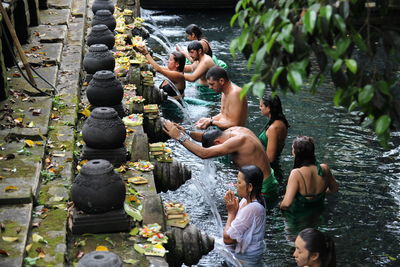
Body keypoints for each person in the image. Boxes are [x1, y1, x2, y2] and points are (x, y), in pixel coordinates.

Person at [163, 121, 279, 205]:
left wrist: (178, 137)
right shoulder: (232, 131)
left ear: (218, 142)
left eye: (217, 150)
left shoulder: (238, 140)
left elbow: (204, 154)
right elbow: (206, 137)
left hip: (263, 188)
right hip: (258, 181)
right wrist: (185, 132)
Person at [280, 136, 339, 212]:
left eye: (292, 149)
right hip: (318, 214)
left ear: (296, 153)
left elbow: (286, 204)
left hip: (299, 217)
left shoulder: (296, 173)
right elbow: (334, 189)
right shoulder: (324, 168)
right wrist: (317, 195)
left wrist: (279, 205)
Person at [223, 165, 266, 266]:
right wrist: (234, 207)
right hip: (248, 254)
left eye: (239, 182)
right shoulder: (246, 201)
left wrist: (231, 213)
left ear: (250, 187)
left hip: (247, 259)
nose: (236, 185)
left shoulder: (253, 208)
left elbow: (228, 239)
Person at [258, 92, 289, 181]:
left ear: (268, 108)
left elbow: (270, 159)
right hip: (273, 166)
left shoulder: (273, 128)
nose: (260, 108)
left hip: (269, 172)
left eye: (261, 106)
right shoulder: (281, 121)